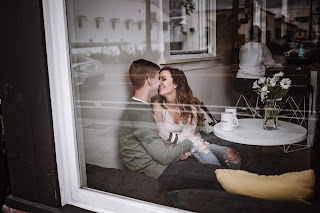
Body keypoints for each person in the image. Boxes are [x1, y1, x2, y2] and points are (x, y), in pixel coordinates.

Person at [119, 59, 223, 190]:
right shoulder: (140, 113)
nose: (160, 84)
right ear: (150, 80)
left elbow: (157, 145)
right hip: (154, 171)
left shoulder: (141, 108)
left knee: (213, 172)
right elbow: (164, 157)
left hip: (156, 164)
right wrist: (189, 141)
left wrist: (179, 150)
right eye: (159, 79)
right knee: (213, 176)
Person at [152, 67, 241, 169]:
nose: (159, 83)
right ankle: (226, 182)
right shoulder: (157, 105)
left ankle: (236, 182)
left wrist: (185, 145)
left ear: (175, 84)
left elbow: (188, 134)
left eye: (163, 79)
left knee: (233, 156)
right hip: (176, 146)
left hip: (193, 141)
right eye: (159, 79)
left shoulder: (191, 105)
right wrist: (177, 151)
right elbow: (160, 134)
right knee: (214, 164)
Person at [235, 25, 276, 93]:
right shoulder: (262, 46)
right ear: (260, 35)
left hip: (240, 80)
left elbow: (240, 59)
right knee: (264, 93)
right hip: (256, 80)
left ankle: (246, 103)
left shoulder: (243, 47)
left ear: (249, 35)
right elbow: (271, 62)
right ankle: (257, 103)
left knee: (246, 95)